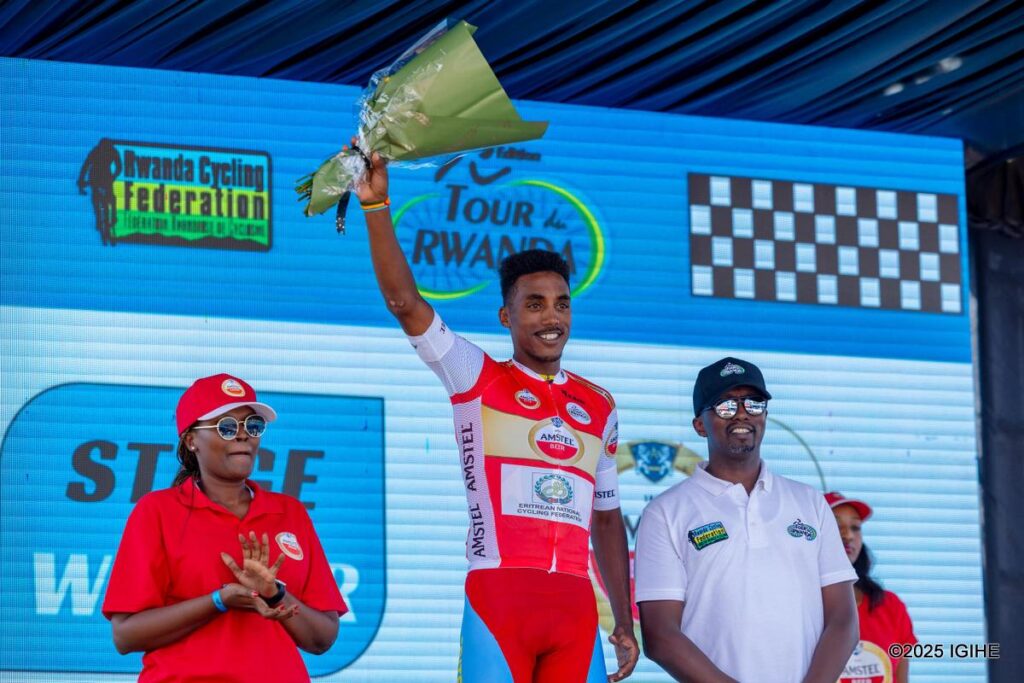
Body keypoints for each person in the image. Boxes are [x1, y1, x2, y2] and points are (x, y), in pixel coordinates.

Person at [351, 144, 638, 683]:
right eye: (534, 304)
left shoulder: (600, 404)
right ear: (506, 315)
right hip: (500, 596)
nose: (551, 317)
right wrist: (375, 206)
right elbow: (405, 304)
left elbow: (606, 518)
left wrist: (624, 619)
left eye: (562, 303)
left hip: (575, 607)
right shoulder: (476, 377)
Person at [102, 373, 347, 682]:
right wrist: (218, 601)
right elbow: (125, 635)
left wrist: (274, 593)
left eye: (253, 426)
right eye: (227, 427)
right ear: (191, 440)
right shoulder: (157, 511)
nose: (243, 436)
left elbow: (322, 638)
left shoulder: (290, 513)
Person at [634, 357, 858, 683]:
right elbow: (660, 636)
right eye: (725, 406)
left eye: (753, 403)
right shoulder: (665, 512)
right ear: (700, 425)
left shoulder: (809, 502)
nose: (742, 414)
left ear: (765, 416)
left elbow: (843, 619)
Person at [826, 491, 917, 683]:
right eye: (836, 525)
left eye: (855, 527)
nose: (848, 535)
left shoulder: (890, 605)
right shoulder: (800, 608)